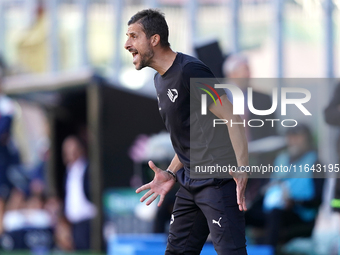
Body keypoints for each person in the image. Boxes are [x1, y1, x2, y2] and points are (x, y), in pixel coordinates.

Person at [124, 9, 249, 255]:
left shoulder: (191, 70)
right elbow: (192, 137)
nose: (127, 44)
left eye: (133, 36)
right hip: (190, 184)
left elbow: (231, 117)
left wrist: (243, 168)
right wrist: (170, 173)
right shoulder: (160, 81)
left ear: (154, 39)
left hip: (217, 182)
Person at [262, 124, 324, 248]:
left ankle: (268, 251)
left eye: (298, 137)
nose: (293, 141)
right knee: (240, 211)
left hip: (300, 214)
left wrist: (294, 201)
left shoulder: (315, 163)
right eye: (291, 137)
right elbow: (270, 185)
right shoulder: (281, 159)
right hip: (271, 207)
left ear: (307, 140)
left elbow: (319, 200)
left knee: (276, 215)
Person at [62, 136, 96, 250]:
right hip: (74, 223)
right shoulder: (69, 170)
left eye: (74, 149)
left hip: (88, 220)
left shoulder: (88, 167)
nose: (71, 153)